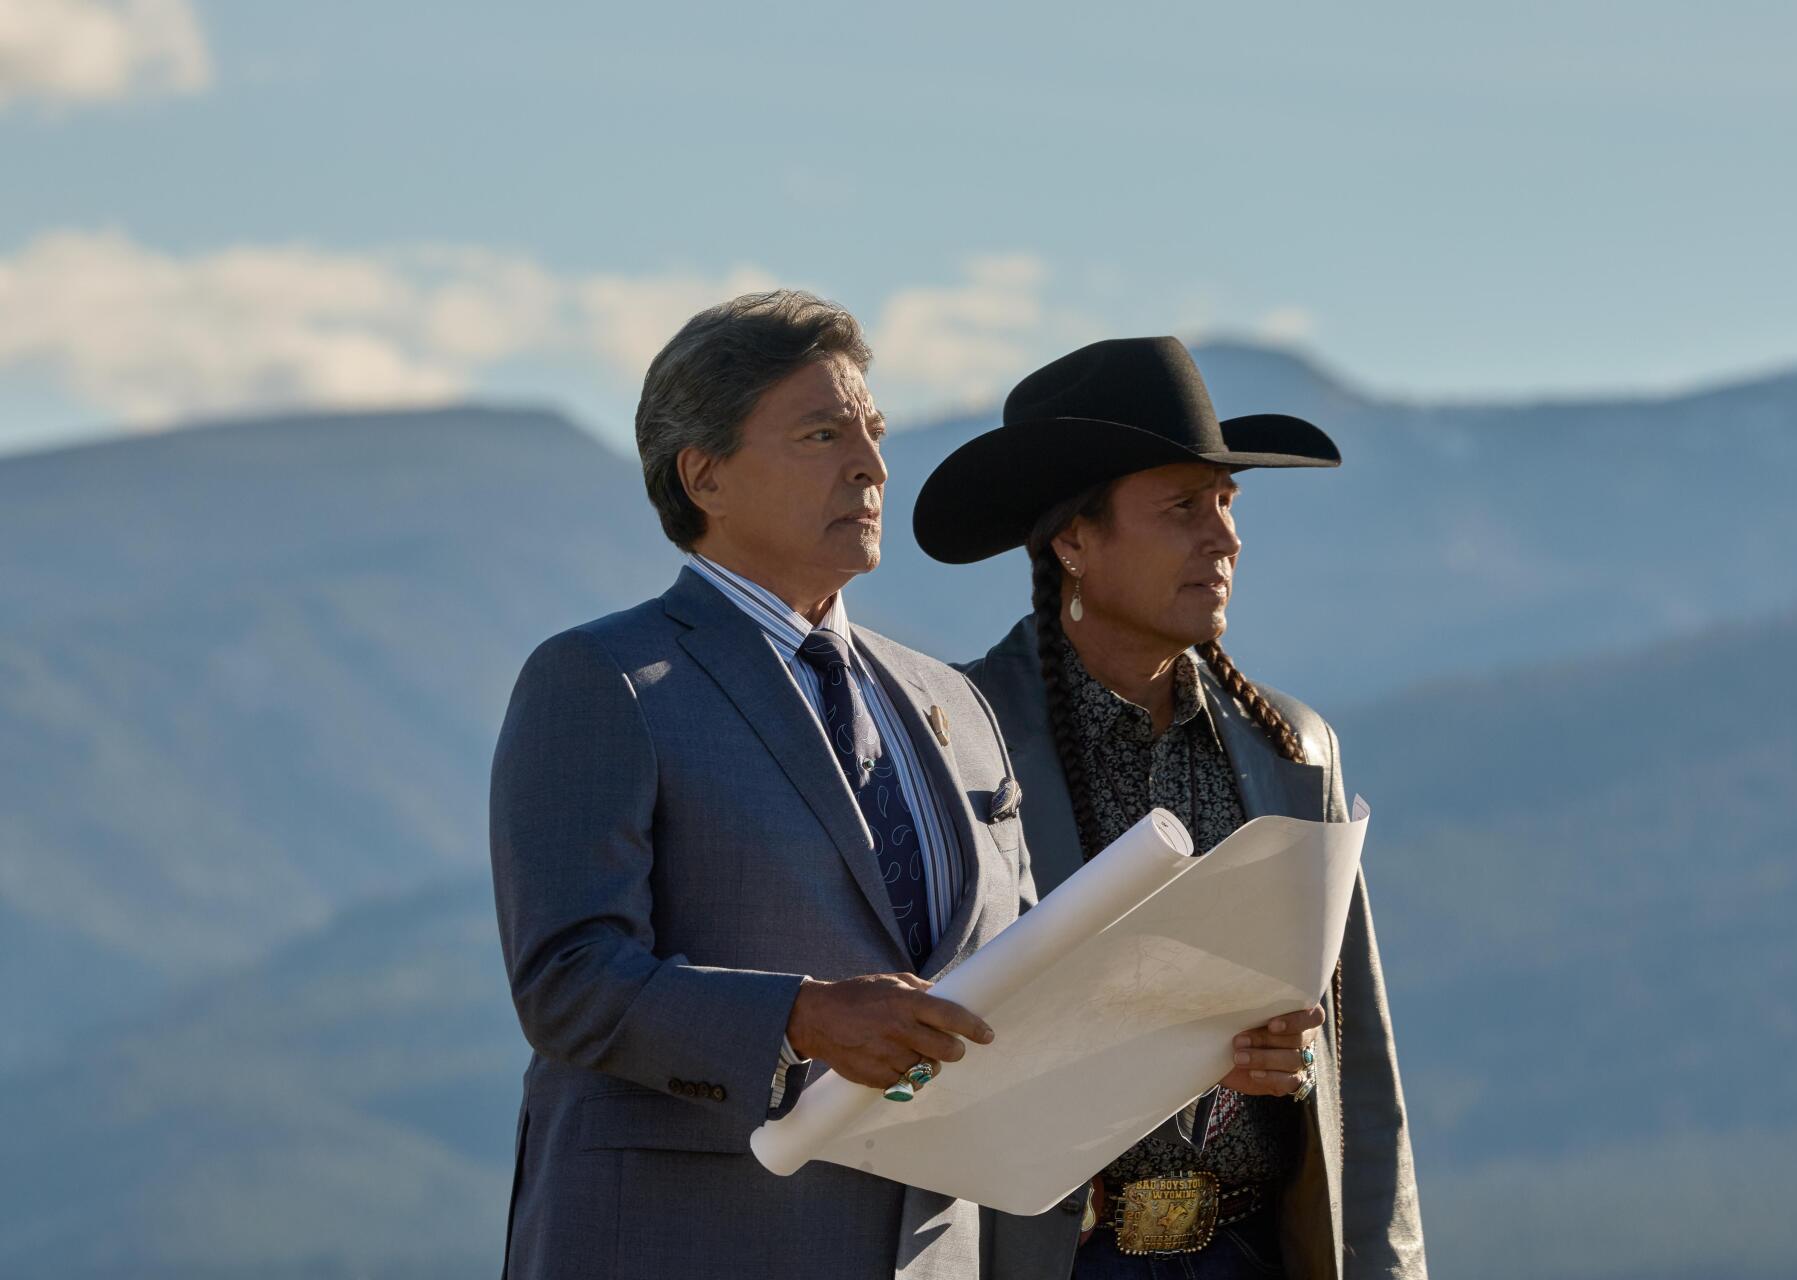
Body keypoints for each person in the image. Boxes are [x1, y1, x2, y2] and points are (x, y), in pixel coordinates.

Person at [489, 290, 1035, 1278]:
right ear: (705, 474)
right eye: (822, 434)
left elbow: (1029, 967)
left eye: (871, 431)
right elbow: (566, 980)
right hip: (685, 1239)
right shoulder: (605, 680)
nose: (869, 465)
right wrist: (800, 1015)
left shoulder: (953, 701)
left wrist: (1195, 1026)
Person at [914, 337, 1425, 1279]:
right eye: (1184, 507)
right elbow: (933, 1054)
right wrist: (1175, 1052)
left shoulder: (1292, 750)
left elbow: (1364, 1073)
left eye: (1227, 504)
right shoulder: (956, 744)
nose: (1225, 539)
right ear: (1073, 540)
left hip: (1258, 1253)